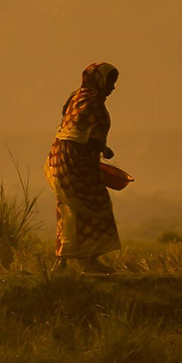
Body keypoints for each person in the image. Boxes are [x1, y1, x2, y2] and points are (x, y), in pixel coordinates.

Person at [45, 62, 122, 274]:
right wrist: (104, 150)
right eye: (110, 82)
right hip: (77, 164)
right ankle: (89, 261)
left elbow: (74, 130)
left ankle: (62, 262)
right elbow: (85, 137)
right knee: (96, 206)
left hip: (63, 161)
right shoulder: (93, 103)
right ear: (100, 81)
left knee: (69, 207)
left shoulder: (77, 97)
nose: (112, 88)